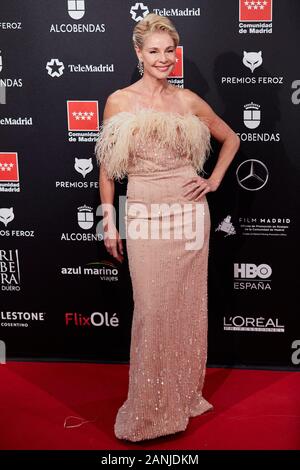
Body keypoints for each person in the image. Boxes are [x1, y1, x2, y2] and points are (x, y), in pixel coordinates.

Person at [95, 13, 240, 442]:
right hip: (143, 213)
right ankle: (148, 408)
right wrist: (109, 221)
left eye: (169, 51)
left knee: (188, 311)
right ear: (138, 54)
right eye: (153, 51)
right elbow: (107, 171)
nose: (163, 58)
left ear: (177, 54)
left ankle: (181, 395)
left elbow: (230, 138)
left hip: (190, 215)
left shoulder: (188, 101)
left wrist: (213, 180)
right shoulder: (119, 100)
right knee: (153, 310)